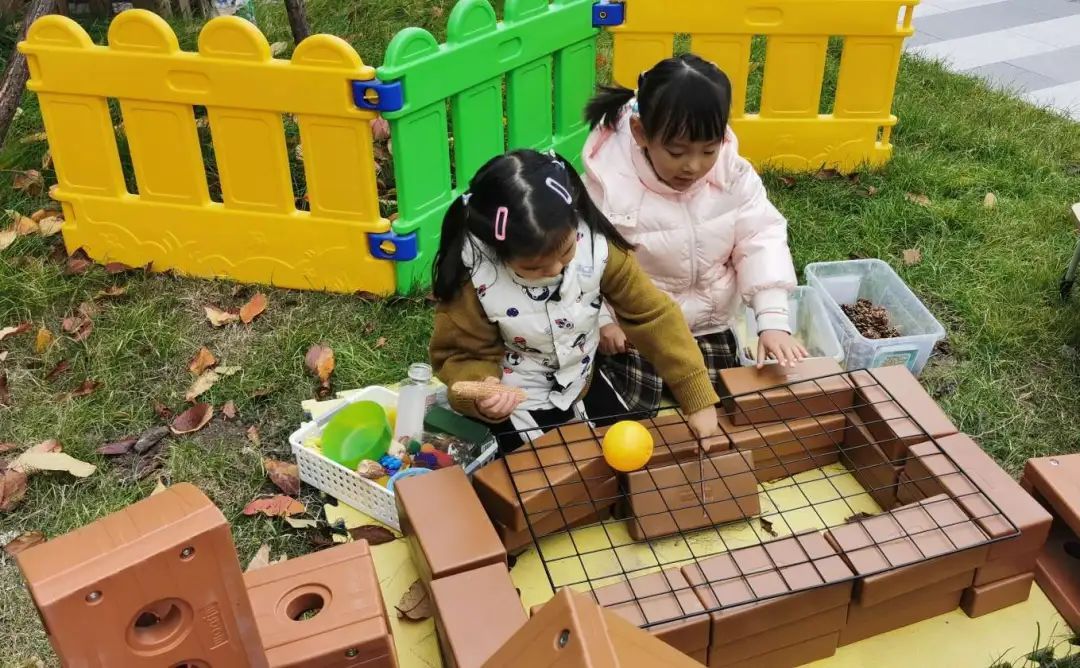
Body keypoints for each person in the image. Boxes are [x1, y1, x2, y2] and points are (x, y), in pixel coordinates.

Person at [428, 148, 724, 452]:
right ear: (497, 251)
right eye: (534, 269)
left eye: (567, 252)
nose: (556, 270)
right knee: (530, 470)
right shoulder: (475, 275)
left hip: (579, 382)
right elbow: (459, 356)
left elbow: (653, 316)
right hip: (515, 396)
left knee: (625, 450)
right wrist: (483, 392)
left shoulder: (596, 249)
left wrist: (697, 396)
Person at [582, 53, 807, 416]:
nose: (693, 166)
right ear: (641, 133)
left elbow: (761, 240)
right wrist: (604, 323)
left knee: (730, 399)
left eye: (708, 150)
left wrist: (773, 322)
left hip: (709, 323)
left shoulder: (733, 176)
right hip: (639, 330)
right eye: (676, 152)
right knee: (629, 408)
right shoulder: (609, 186)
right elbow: (586, 262)